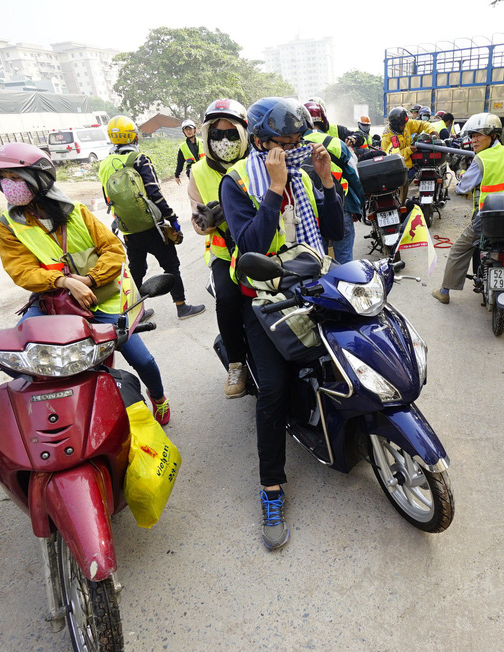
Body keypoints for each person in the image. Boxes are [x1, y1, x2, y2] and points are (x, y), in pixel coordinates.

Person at [219, 97, 344, 549]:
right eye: (282, 144)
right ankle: (271, 489)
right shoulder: (237, 183)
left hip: (315, 282)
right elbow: (248, 244)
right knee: (273, 389)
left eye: (297, 142)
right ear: (259, 142)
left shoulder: (305, 174)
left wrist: (327, 181)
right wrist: (273, 191)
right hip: (266, 296)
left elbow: (335, 228)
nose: (292, 150)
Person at [0, 143, 175, 426]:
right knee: (20, 358)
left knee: (142, 359)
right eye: (4, 179)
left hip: (102, 300)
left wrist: (90, 279)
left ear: (38, 178)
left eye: (15, 177)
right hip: (53, 305)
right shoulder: (7, 226)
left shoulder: (77, 212)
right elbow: (21, 271)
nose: (8, 185)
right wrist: (63, 281)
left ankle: (158, 398)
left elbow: (113, 250)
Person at [432, 113, 504, 304]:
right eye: (472, 136)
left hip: (488, 220)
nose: (473, 140)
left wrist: (461, 178)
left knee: (458, 250)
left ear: (493, 136)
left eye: (478, 135)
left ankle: (444, 291)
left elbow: (463, 188)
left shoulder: (481, 160)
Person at [101, 115, 205, 321]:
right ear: (134, 136)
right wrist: (172, 218)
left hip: (128, 229)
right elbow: (154, 194)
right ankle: (182, 307)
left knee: (136, 269)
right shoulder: (139, 159)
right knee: (171, 265)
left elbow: (108, 199)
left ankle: (134, 313)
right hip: (152, 226)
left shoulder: (104, 164)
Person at [187, 98, 251, 398]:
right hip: (225, 252)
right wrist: (206, 221)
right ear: (206, 136)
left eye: (230, 133)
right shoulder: (198, 171)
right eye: (216, 134)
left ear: (243, 134)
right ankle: (236, 363)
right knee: (226, 299)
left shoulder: (257, 161)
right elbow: (197, 223)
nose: (223, 141)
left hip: (260, 245)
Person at [303, 103, 364, 263]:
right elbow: (354, 177)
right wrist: (359, 206)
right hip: (339, 208)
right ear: (323, 120)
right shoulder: (337, 143)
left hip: (309, 215)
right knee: (345, 260)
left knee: (318, 262)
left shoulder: (295, 146)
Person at [381, 106, 440, 201]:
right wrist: (408, 150)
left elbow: (421, 124)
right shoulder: (387, 136)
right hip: (397, 169)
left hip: (409, 165)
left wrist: (431, 130)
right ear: (395, 124)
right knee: (399, 194)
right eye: (402, 125)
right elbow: (390, 157)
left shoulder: (406, 124)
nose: (404, 126)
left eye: (405, 124)